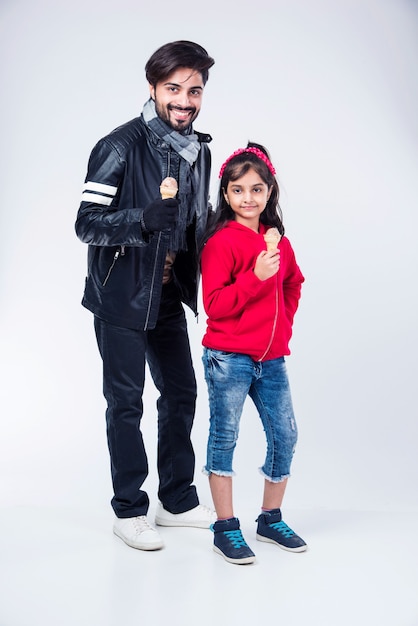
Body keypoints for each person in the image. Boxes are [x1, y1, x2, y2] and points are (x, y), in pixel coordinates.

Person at [75, 41, 216, 551]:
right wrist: (139, 219)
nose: (184, 100)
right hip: (121, 299)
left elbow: (199, 221)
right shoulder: (118, 146)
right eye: (173, 89)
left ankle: (176, 501)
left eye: (193, 90)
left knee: (181, 393)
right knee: (126, 402)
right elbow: (85, 224)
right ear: (154, 89)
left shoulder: (197, 149)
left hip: (167, 295)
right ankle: (129, 510)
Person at [200, 143, 307, 564]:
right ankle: (225, 527)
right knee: (224, 438)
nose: (248, 198)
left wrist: (283, 325)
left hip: (272, 359)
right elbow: (215, 305)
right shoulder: (221, 243)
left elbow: (294, 283)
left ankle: (269, 518)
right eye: (239, 190)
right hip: (228, 357)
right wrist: (256, 277)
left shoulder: (279, 242)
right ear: (226, 194)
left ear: (269, 193)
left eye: (257, 189)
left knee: (286, 435)